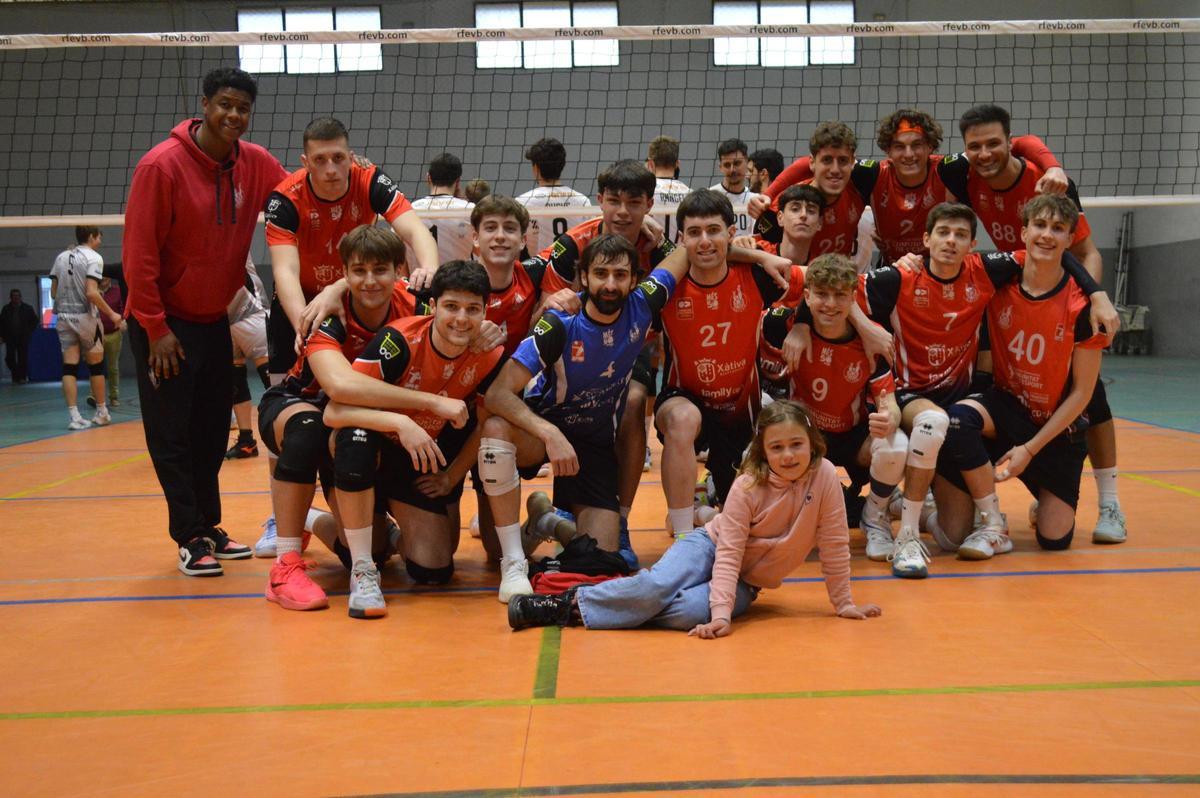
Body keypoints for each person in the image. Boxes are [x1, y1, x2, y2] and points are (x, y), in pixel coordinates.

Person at [784, 202, 1114, 577]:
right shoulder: (901, 277)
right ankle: (911, 534)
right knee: (932, 423)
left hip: (961, 400)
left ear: (972, 245)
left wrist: (1097, 293)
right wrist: (805, 321)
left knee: (954, 537)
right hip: (910, 393)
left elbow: (1055, 254)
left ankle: (926, 511)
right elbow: (826, 283)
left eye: (960, 235)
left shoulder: (986, 270)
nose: (951, 241)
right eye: (943, 233)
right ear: (926, 239)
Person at [507, 399, 882, 634]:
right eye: (777, 447)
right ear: (763, 452)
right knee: (657, 587)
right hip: (709, 547)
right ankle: (566, 605)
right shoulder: (748, 485)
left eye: (796, 444)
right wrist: (722, 615)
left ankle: (618, 603)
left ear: (812, 444)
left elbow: (834, 543)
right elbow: (729, 551)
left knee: (688, 612)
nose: (788, 455)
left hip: (747, 582)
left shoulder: (826, 476)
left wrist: (844, 603)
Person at [123, 67, 288, 575]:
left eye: (243, 108)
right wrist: (155, 328)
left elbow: (295, 196)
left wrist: (349, 173)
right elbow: (138, 256)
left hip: (214, 317)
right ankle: (189, 534)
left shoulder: (254, 162)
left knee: (213, 429)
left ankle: (208, 525)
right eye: (225, 105)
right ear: (205, 105)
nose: (233, 115)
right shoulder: (161, 166)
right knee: (171, 433)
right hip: (163, 324)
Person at [940, 103, 1127, 544]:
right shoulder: (964, 178)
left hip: (1064, 286)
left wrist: (1089, 298)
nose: (985, 153)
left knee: (1092, 399)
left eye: (994, 143)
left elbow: (1087, 252)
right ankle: (972, 498)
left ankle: (1110, 503)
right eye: (975, 147)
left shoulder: (1048, 182)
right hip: (1019, 277)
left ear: (1012, 143)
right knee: (979, 395)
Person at [478, 233, 692, 603]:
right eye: (601, 273)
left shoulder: (643, 304)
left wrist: (761, 257)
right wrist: (549, 433)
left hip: (592, 444)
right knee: (496, 428)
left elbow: (690, 250)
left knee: (602, 560)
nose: (610, 284)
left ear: (634, 280)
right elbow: (498, 394)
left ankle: (547, 522)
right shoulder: (559, 324)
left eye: (620, 275)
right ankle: (513, 562)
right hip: (543, 433)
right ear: (583, 278)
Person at [259, 225, 466, 602]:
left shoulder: (418, 306)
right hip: (309, 404)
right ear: (344, 273)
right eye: (358, 271)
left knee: (433, 568)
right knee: (310, 430)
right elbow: (339, 390)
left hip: (378, 415)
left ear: (399, 271)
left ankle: (348, 526)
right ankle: (287, 562)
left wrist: (484, 332)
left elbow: (458, 314)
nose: (369, 281)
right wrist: (427, 406)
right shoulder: (327, 315)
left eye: (380, 270)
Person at [323, 260, 504, 617]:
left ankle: (381, 531)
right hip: (368, 452)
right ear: (432, 306)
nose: (461, 319)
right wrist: (402, 422)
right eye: (451, 306)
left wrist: (452, 476)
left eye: (473, 309)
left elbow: (486, 424)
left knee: (434, 569)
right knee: (356, 440)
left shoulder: (489, 354)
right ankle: (362, 569)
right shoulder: (397, 341)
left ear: (486, 311)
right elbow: (333, 412)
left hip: (412, 463)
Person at [935, 195, 1108, 558]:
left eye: (1058, 229)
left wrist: (1029, 450)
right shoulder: (998, 282)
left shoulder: (1083, 307)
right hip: (1007, 407)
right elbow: (944, 262)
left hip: (1056, 429)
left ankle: (1043, 497)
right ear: (1024, 232)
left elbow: (1082, 393)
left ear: (1069, 239)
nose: (1047, 235)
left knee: (1054, 540)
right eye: (1039, 226)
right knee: (958, 420)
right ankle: (991, 521)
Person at [534, 159, 676, 565]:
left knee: (634, 402)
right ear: (600, 200)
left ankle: (623, 519)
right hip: (574, 348)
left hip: (631, 345)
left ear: (649, 204)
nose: (622, 212)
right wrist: (552, 303)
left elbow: (698, 254)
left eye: (634, 202)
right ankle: (565, 507)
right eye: (614, 201)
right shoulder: (572, 247)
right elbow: (540, 317)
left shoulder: (658, 247)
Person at [654, 189, 805, 539]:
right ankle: (683, 535)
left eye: (714, 230)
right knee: (682, 419)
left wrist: (802, 325)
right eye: (694, 233)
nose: (705, 241)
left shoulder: (757, 275)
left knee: (756, 525)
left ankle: (702, 508)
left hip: (740, 410)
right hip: (684, 399)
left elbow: (827, 281)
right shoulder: (668, 286)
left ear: (731, 233)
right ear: (682, 239)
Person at [751, 110, 1067, 264]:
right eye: (899, 146)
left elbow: (1020, 143)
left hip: (941, 268)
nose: (909, 154)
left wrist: (1053, 166)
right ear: (888, 150)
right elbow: (812, 164)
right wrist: (769, 194)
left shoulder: (949, 169)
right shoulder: (871, 175)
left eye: (917, 145)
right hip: (894, 270)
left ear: (930, 146)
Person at [760, 254, 908, 561]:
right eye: (822, 294)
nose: (830, 304)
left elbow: (889, 405)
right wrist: (800, 325)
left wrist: (888, 419)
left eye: (840, 295)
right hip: (807, 438)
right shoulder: (783, 325)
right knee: (762, 426)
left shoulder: (872, 339)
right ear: (807, 296)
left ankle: (875, 518)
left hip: (852, 435)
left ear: (853, 298)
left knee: (896, 445)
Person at [49, 226, 121, 430]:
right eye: (99, 237)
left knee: (69, 367)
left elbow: (53, 293)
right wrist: (113, 314)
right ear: (91, 236)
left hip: (64, 316)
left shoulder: (61, 257)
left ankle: (74, 417)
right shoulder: (94, 257)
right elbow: (91, 292)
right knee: (96, 366)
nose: (100, 241)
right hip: (86, 317)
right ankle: (102, 413)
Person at [225, 256, 270, 459]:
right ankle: (246, 442)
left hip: (252, 314)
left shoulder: (234, 242)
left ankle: (291, 435)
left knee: (273, 383)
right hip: (226, 320)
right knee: (235, 380)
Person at [515, 137, 593, 256]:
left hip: (538, 265)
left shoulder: (522, 202)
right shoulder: (583, 201)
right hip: (572, 265)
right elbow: (590, 241)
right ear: (562, 165)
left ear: (536, 168)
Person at [411, 152, 476, 263]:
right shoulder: (469, 210)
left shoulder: (409, 211)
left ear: (428, 178)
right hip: (459, 274)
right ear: (458, 181)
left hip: (420, 274)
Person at [646, 135, 690, 243]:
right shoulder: (690, 194)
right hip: (682, 252)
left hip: (651, 251)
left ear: (650, 164)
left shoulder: (645, 193)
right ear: (677, 164)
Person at [708, 138, 756, 238]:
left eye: (737, 163)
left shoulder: (755, 199)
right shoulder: (709, 197)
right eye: (727, 165)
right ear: (720, 167)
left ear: (747, 162)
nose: (732, 170)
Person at [97, 274, 126, 405]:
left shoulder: (118, 291)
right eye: (101, 276)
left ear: (110, 278)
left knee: (113, 367)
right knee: (96, 366)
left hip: (114, 334)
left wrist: (122, 322)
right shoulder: (93, 292)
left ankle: (114, 397)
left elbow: (123, 309)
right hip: (96, 334)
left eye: (106, 276)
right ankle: (95, 396)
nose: (103, 278)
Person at [1, 289, 38, 384]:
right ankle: (16, 375)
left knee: (22, 358)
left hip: (23, 337)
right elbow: (1, 324)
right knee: (9, 358)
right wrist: (1, 336)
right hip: (10, 337)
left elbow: (35, 321)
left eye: (17, 295)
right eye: (14, 296)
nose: (16, 297)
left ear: (20, 297)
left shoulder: (27, 308)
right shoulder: (6, 309)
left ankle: (22, 378)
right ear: (10, 297)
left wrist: (29, 331)